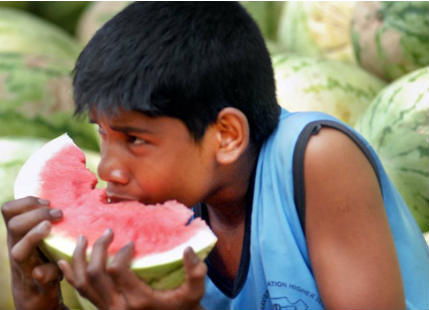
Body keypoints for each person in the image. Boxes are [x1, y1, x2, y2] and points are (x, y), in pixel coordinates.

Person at [2, 2, 429, 310]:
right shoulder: (167, 201)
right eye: (101, 134)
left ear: (226, 136)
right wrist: (37, 296)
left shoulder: (316, 158)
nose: (108, 168)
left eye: (134, 139)